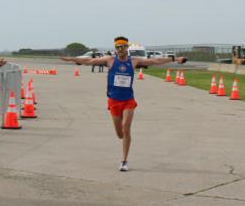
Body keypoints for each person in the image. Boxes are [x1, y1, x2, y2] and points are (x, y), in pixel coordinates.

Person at [61, 36, 185, 172]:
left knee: (126, 128)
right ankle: (123, 142)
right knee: (120, 134)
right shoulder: (110, 60)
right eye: (117, 47)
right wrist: (71, 59)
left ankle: (124, 161)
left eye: (122, 47)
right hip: (114, 101)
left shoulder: (133, 61)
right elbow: (89, 60)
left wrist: (174, 59)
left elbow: (155, 61)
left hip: (128, 100)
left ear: (127, 47)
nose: (120, 49)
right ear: (115, 48)